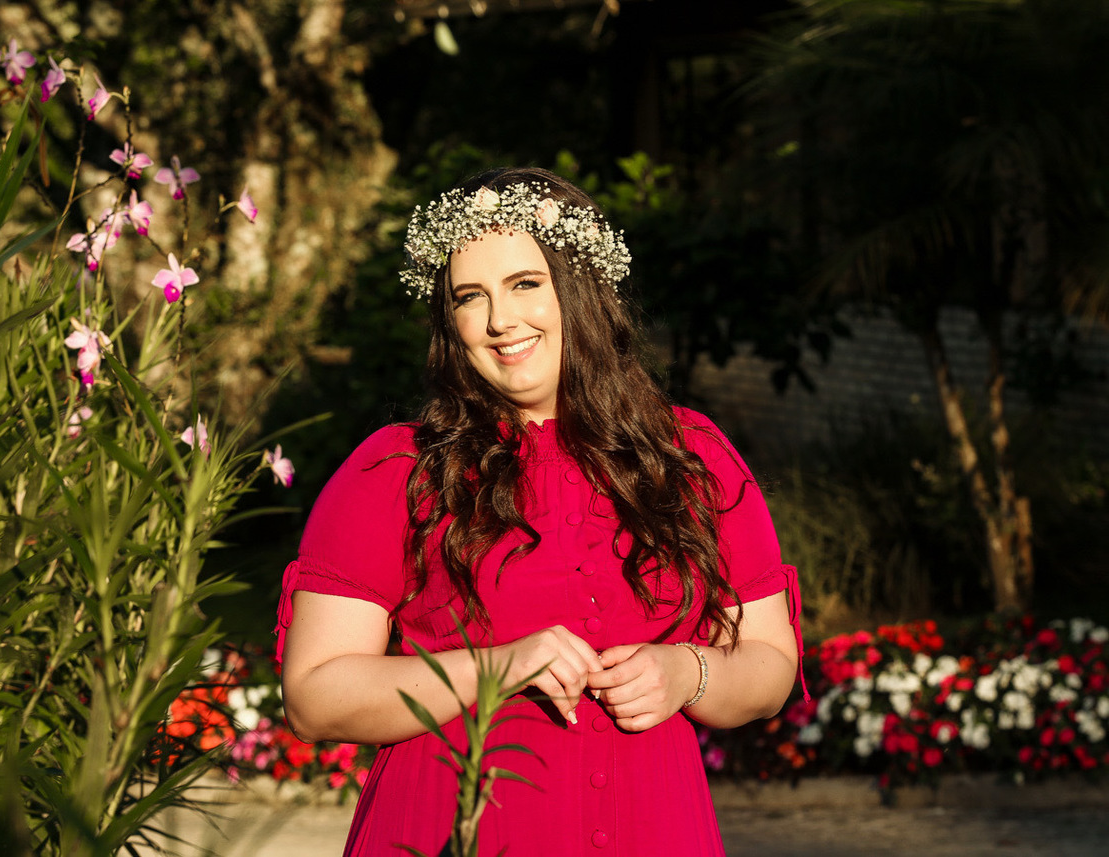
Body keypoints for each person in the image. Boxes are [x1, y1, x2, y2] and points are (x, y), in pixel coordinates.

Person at [276, 167, 805, 856]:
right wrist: (494, 667)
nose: (499, 320)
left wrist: (687, 673)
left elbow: (770, 665)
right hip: (446, 832)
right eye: (471, 297)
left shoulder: (690, 455)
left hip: (655, 831)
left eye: (525, 283)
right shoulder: (396, 469)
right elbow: (314, 696)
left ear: (582, 289)